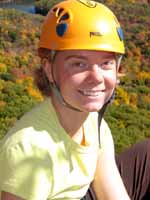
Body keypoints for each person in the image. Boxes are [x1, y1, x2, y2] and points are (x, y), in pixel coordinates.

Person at [0, 0, 149, 200]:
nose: (96, 77)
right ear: (48, 69)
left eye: (106, 63)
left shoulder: (95, 125)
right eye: (79, 63)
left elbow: (111, 192)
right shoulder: (27, 151)